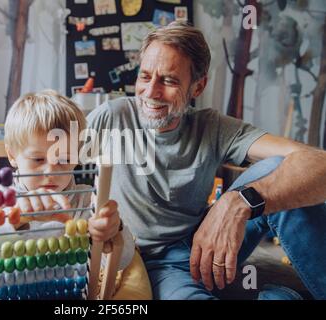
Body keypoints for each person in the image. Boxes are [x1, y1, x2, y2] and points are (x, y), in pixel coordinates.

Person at [87, 22, 326, 300]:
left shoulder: (213, 127)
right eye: (145, 76)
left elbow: (317, 164)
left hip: (201, 246)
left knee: (278, 171)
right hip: (144, 260)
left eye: (169, 80)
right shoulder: (111, 116)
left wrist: (238, 202)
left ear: (198, 86)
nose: (151, 92)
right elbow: (47, 166)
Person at [0, 90, 143, 299]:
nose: (51, 171)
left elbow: (123, 260)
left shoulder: (86, 202)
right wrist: (15, 219)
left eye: (64, 159)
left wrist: (114, 230)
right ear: (12, 155)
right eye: (38, 160)